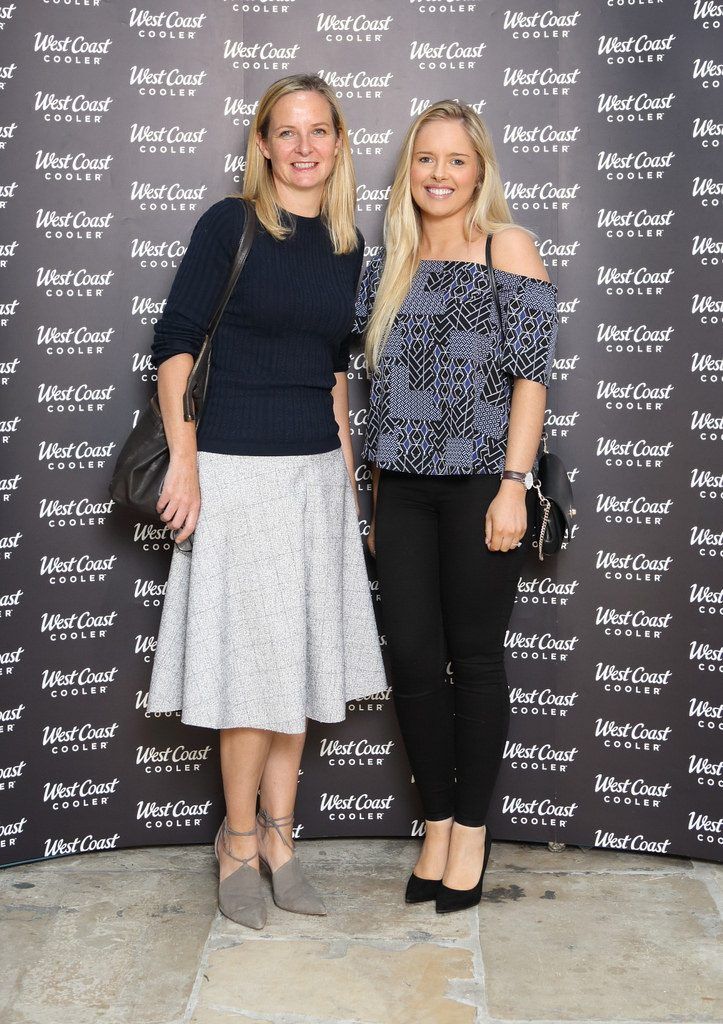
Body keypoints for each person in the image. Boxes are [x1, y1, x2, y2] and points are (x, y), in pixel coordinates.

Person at [146, 74, 387, 930]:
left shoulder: (349, 244)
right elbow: (174, 347)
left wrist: (349, 486)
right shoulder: (230, 223)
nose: (303, 146)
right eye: (285, 132)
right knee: (252, 677)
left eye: (318, 131)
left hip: (313, 477)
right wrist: (186, 464)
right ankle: (237, 842)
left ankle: (284, 839)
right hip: (234, 471)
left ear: (337, 143)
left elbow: (332, 377)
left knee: (296, 667)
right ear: (262, 144)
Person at [355, 101, 558, 913]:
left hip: (481, 484)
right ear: (409, 170)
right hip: (399, 488)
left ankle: (470, 831)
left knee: (472, 660)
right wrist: (371, 495)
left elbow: (530, 377)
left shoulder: (505, 246)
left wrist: (513, 484)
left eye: (455, 160)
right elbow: (374, 394)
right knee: (409, 658)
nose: (438, 174)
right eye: (425, 159)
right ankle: (434, 822)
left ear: (479, 172)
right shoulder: (386, 264)